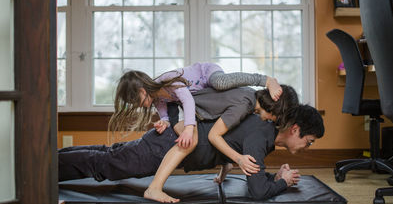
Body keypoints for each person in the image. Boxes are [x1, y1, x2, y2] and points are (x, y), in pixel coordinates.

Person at [59, 97, 323, 202]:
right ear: (295, 129)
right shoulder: (261, 135)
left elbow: (253, 173)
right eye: (308, 141)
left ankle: (49, 160)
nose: (306, 146)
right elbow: (257, 192)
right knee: (105, 166)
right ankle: (42, 170)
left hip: (167, 142)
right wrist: (284, 183)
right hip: (167, 148)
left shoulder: (262, 129)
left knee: (109, 155)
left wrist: (275, 177)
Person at [144, 85, 299, 203]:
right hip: (181, 108)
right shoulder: (245, 103)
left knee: (225, 133)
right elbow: (214, 135)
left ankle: (226, 163)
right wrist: (238, 158)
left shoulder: (250, 104)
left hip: (197, 113)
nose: (273, 122)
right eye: (276, 118)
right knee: (190, 142)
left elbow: (229, 130)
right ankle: (154, 188)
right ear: (275, 108)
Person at [108, 62, 282, 149]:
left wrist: (188, 129)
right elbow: (164, 114)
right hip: (204, 93)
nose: (138, 106)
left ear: (142, 89)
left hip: (207, 73)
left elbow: (187, 101)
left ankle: (265, 79)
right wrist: (165, 122)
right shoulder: (157, 99)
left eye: (136, 100)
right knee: (211, 113)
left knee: (220, 83)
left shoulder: (168, 80)